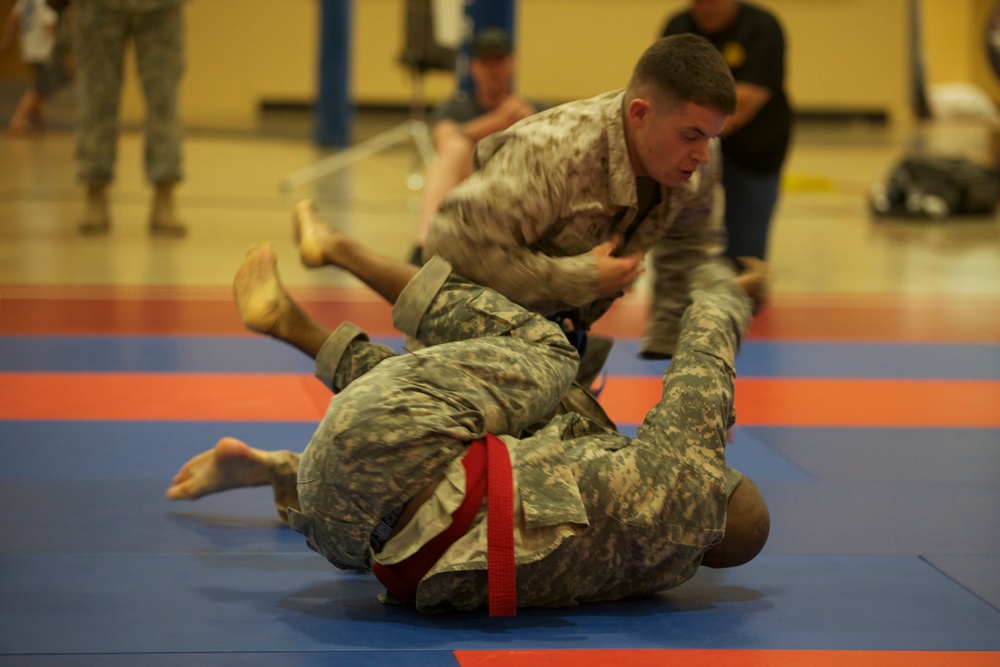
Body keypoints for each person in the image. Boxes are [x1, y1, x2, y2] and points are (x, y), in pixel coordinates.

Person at [166, 202, 770, 615]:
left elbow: (704, 370)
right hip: (359, 537)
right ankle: (283, 468)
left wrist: (724, 296)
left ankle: (340, 256)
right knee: (454, 441)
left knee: (546, 350)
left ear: (719, 485)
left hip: (385, 455)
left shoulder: (681, 486)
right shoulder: (633, 569)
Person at [422, 33, 753, 363]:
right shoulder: (554, 152)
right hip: (466, 342)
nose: (703, 154)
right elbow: (450, 243)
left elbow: (691, 247)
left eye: (711, 137)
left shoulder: (699, 154)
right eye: (691, 136)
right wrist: (580, 278)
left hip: (555, 341)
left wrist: (675, 343)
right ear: (640, 114)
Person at [662, 0, 792, 264]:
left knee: (745, 253)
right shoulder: (678, 28)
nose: (706, 8)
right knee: (682, 248)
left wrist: (690, 127)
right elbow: (665, 94)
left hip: (756, 150)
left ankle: (742, 301)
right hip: (691, 152)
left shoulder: (761, 27)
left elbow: (743, 103)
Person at [411, 27, 543, 264]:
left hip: (520, 198)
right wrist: (497, 121)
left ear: (512, 64)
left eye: (499, 62)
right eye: (486, 62)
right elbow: (443, 140)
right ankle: (423, 245)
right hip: (468, 195)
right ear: (473, 67)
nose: (493, 70)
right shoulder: (455, 108)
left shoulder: (534, 109)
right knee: (455, 147)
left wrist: (530, 125)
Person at [74, 0, 186, 236]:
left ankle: (164, 193)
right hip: (97, 7)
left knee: (164, 101)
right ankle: (95, 190)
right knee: (96, 98)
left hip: (161, 8)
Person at [1, 0, 68, 136]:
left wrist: (7, 40)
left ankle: (38, 119)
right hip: (43, 50)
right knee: (42, 86)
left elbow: (14, 19)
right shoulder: (43, 3)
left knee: (39, 83)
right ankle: (18, 120)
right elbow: (50, 25)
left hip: (29, 48)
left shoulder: (24, 2)